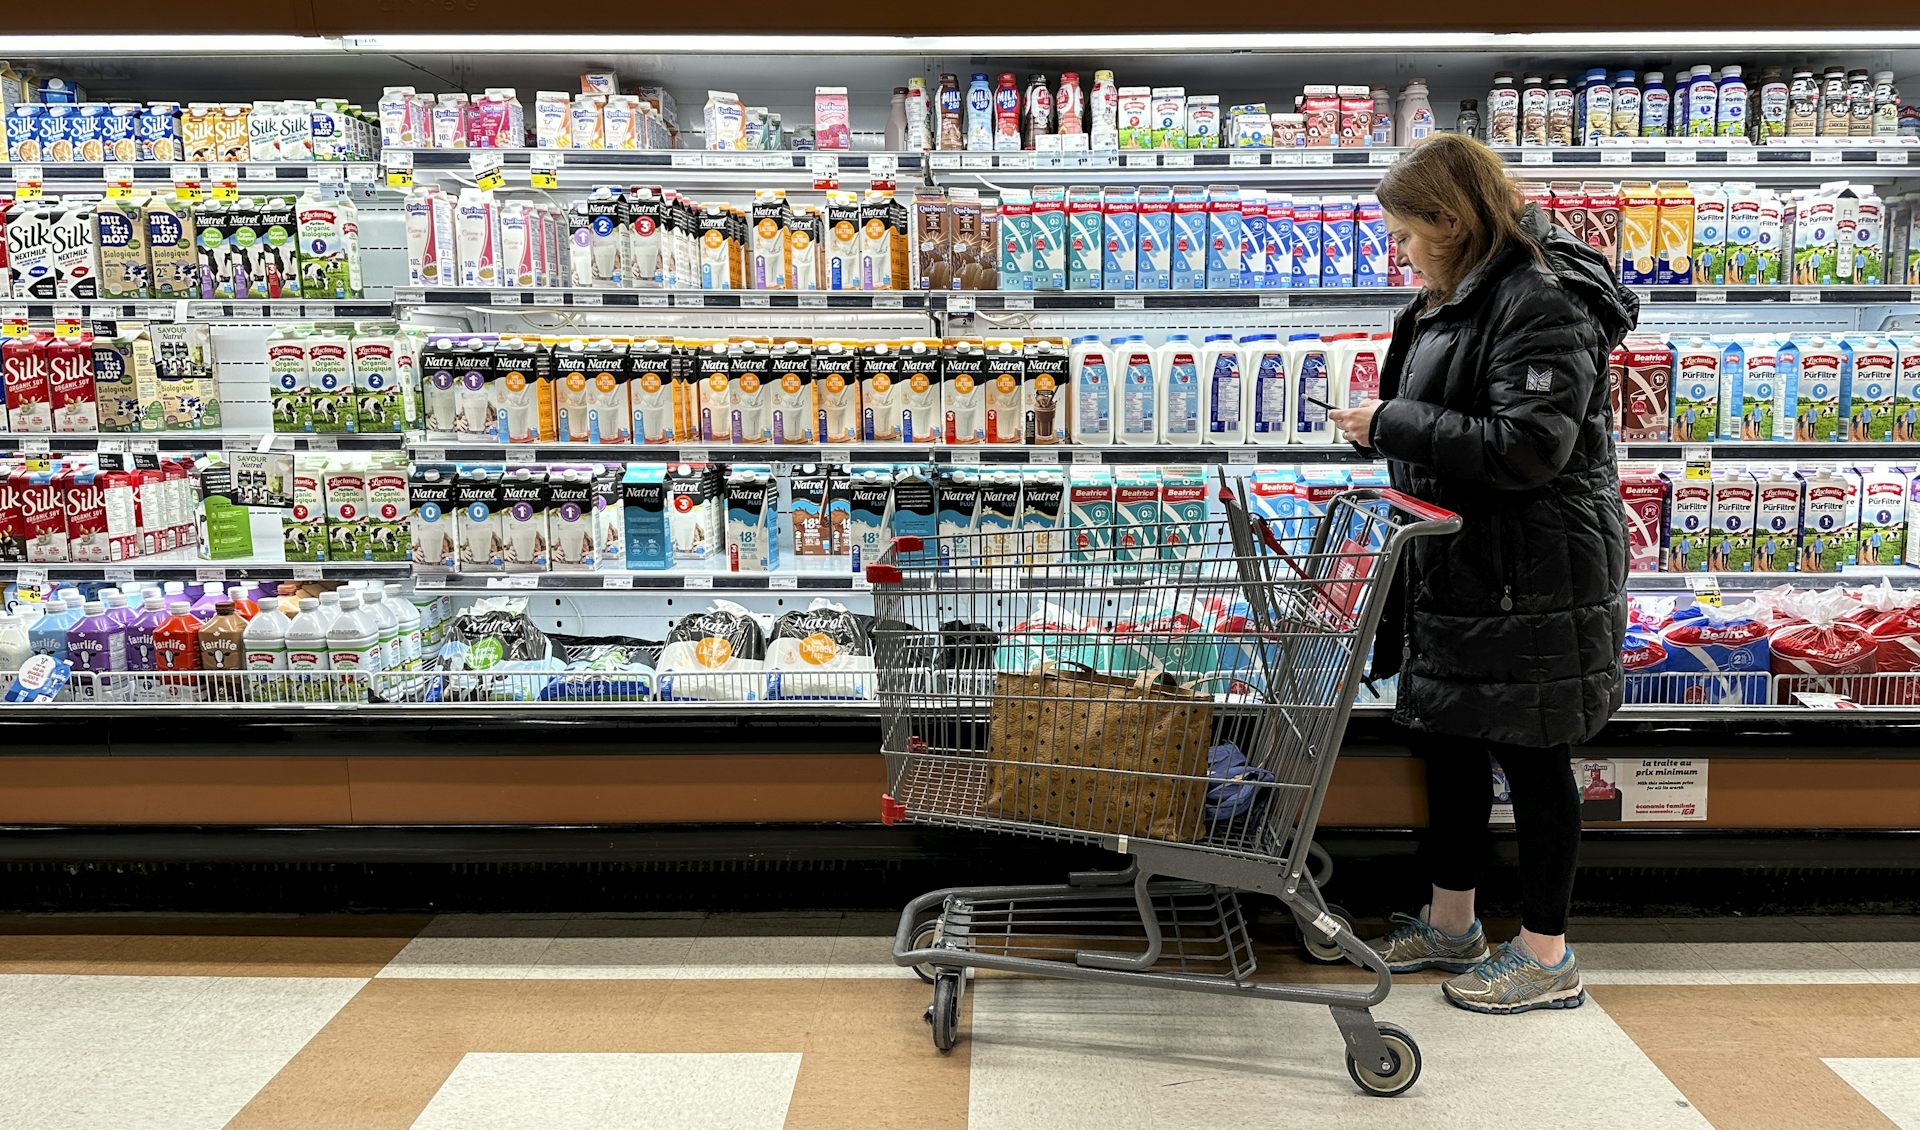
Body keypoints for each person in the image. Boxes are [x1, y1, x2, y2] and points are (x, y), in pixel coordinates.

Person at [1327, 134, 1637, 1016]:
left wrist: (1391, 422)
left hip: (1531, 571)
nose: (1400, 251)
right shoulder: (1454, 296)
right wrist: (1389, 428)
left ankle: (1547, 954)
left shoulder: (1542, 300)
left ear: (1451, 221)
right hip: (1459, 561)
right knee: (1452, 741)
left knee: (1535, 756)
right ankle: (1453, 922)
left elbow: (1529, 447)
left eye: (1407, 233)